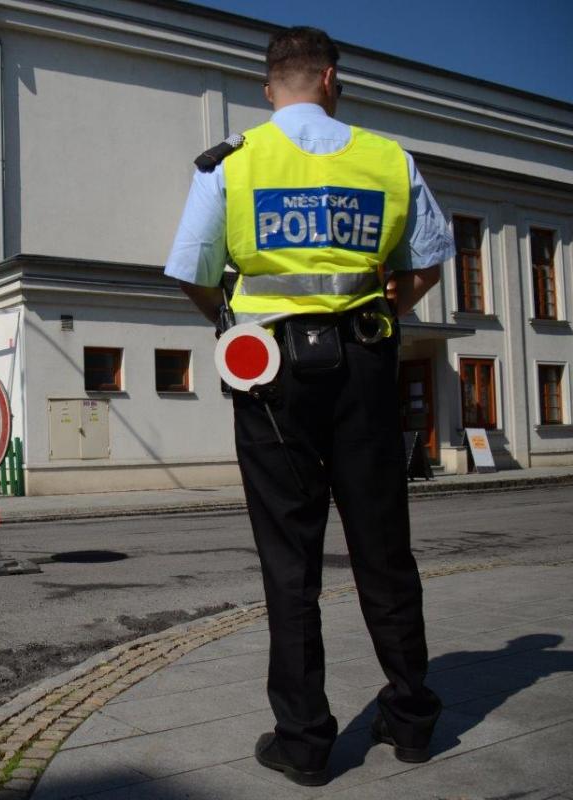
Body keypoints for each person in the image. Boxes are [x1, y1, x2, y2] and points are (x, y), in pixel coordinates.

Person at [165, 27, 453, 787]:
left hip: (271, 377)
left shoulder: (232, 161)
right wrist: (392, 299)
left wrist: (229, 321)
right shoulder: (388, 159)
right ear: (331, 78)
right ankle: (414, 718)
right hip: (364, 361)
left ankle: (304, 739)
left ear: (270, 88)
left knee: (290, 558)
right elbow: (425, 258)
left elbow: (190, 267)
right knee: (383, 544)